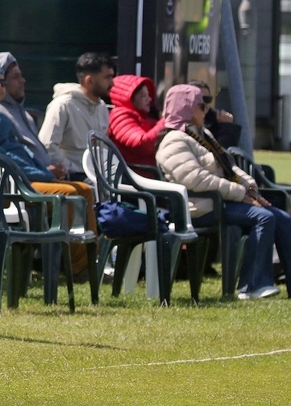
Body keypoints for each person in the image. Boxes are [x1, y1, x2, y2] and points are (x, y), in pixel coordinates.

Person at [0, 51, 96, 277]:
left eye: (1, 82)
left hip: (22, 180)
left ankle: (80, 263)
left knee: (83, 189)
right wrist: (42, 175)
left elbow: (19, 152)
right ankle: (75, 267)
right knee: (75, 196)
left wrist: (42, 173)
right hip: (1, 188)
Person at [156, 84, 291, 299]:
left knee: (282, 218)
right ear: (186, 108)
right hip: (199, 207)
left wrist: (249, 186)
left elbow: (228, 165)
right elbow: (197, 180)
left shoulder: (202, 134)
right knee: (263, 218)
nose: (206, 110)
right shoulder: (174, 141)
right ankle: (251, 287)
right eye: (201, 105)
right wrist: (240, 193)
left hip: (221, 201)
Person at [38, 52, 114, 181]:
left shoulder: (101, 107)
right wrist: (71, 168)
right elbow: (47, 145)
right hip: (74, 177)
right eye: (107, 77)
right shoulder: (62, 105)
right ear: (89, 80)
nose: (112, 83)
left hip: (99, 176)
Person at [0, 52, 66, 179]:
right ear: (2, 82)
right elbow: (14, 154)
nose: (23, 81)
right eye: (15, 77)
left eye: (21, 76)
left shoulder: (24, 114)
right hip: (25, 183)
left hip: (45, 175)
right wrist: (44, 171)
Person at [107, 74, 164, 172]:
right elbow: (141, 144)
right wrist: (166, 121)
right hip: (138, 176)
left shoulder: (148, 116)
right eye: (143, 96)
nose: (149, 99)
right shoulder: (120, 115)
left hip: (152, 172)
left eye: (149, 95)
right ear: (130, 98)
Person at [189, 79, 242, 149]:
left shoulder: (216, 120)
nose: (203, 104)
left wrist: (226, 126)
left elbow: (224, 154)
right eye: (198, 99)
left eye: (207, 99)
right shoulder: (178, 126)